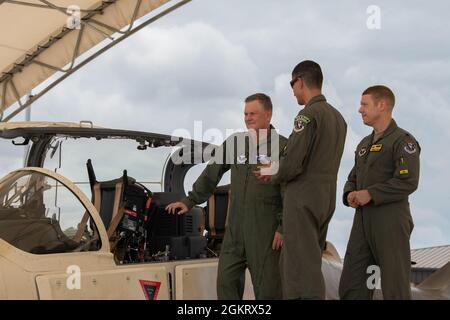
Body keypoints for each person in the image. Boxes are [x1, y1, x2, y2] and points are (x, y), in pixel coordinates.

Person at [166, 93, 288, 300]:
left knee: (268, 291)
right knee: (225, 283)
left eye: (253, 113)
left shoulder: (284, 146)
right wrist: (190, 200)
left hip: (266, 232)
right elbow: (211, 173)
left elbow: (291, 191)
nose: (248, 118)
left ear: (268, 114)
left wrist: (283, 227)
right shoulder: (235, 143)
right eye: (245, 114)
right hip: (235, 230)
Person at [255, 60, 347, 299]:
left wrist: (271, 172)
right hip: (325, 198)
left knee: (297, 269)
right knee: (311, 261)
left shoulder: (307, 115)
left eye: (292, 84)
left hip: (302, 200)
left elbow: (295, 161)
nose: (292, 90)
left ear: (301, 81)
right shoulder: (338, 118)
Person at [339, 85, 420, 300]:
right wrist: (349, 194)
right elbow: (352, 178)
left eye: (364, 104)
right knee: (352, 283)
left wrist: (371, 194)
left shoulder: (403, 141)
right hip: (362, 221)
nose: (360, 109)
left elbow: (408, 181)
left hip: (391, 221)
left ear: (381, 105)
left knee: (395, 286)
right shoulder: (364, 144)